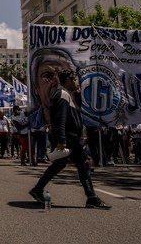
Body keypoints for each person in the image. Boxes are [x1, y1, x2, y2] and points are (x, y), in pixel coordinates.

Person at [29, 69, 111, 209]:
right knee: (80, 163)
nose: (76, 82)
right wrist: (62, 140)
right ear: (66, 80)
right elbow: (60, 119)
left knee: (67, 164)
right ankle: (91, 197)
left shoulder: (66, 94)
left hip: (70, 137)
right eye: (74, 79)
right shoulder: (63, 94)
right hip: (69, 138)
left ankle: (38, 189)